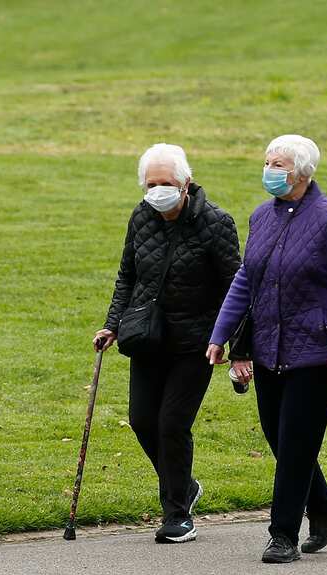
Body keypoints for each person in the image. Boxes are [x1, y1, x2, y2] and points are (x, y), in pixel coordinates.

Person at [206, 135, 327, 564]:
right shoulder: (262, 217)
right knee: (280, 438)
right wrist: (220, 335)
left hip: (318, 354)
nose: (269, 169)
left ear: (301, 172)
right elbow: (246, 279)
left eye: (277, 163)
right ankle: (326, 509)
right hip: (268, 348)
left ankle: (283, 535)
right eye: (267, 161)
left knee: (296, 444)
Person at [94, 143, 241, 543]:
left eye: (166, 183)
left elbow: (236, 287)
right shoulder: (141, 216)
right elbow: (128, 275)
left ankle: (177, 515)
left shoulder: (216, 223)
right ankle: (185, 486)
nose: (158, 190)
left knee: (172, 424)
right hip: (148, 337)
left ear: (186, 183)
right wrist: (112, 326)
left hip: (196, 342)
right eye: (151, 183)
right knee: (143, 420)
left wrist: (237, 345)